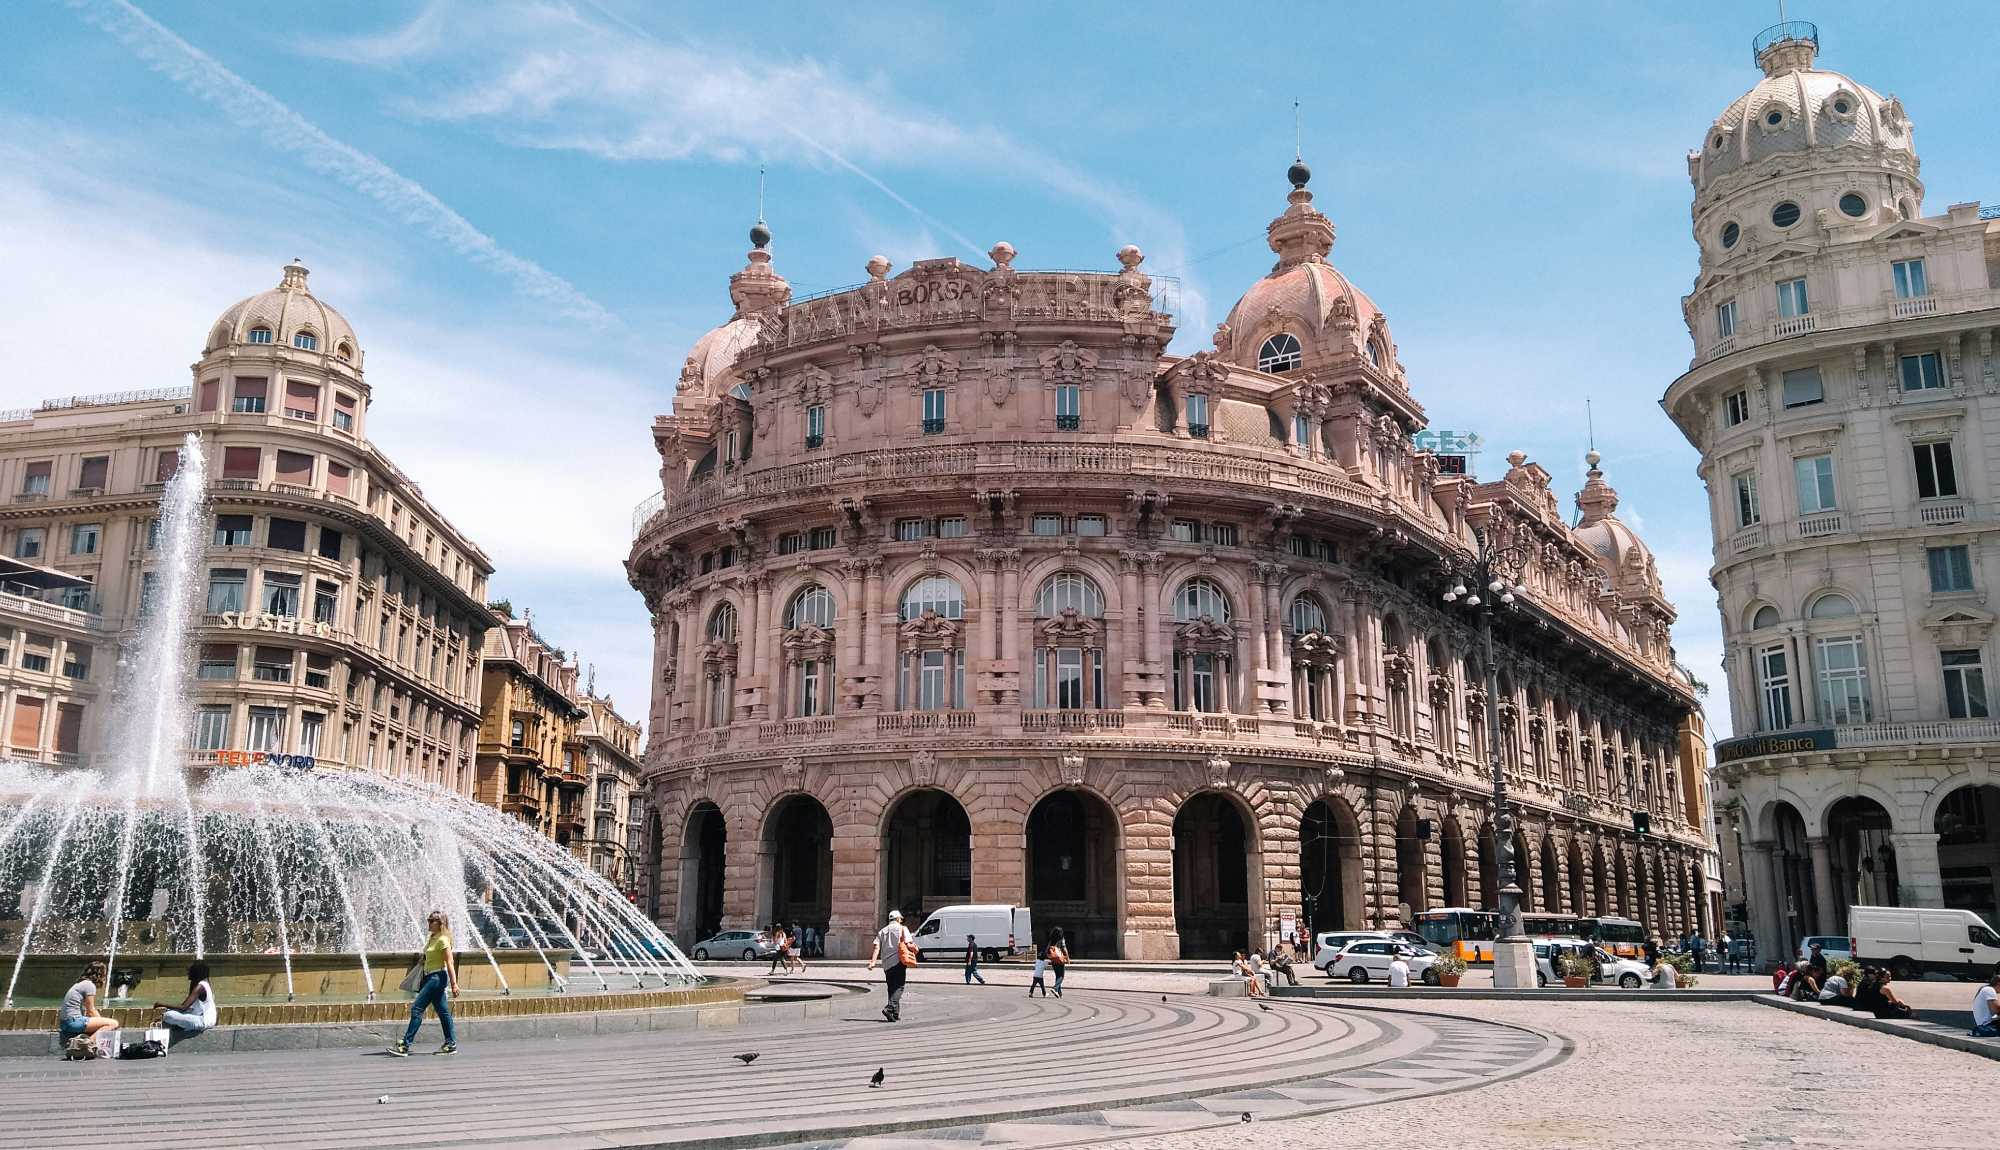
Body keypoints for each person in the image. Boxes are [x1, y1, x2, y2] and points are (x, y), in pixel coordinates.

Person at [391, 909, 459, 1057]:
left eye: (431, 920)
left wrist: (454, 983)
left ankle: (405, 1045)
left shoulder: (443, 939)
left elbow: (450, 962)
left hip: (437, 978)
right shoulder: (433, 938)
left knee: (417, 1009)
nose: (428, 922)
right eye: (428, 920)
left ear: (439, 923)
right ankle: (450, 1043)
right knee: (443, 1012)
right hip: (430, 977)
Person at [867, 908, 916, 1022]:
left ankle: (894, 1014)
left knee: (891, 988)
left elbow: (876, 947)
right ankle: (890, 1008)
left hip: (886, 964)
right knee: (899, 987)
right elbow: (909, 944)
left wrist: (873, 962)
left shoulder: (882, 931)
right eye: (900, 919)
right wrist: (915, 949)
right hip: (898, 961)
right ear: (898, 919)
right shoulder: (903, 929)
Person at [57, 960, 119, 1052]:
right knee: (113, 1023)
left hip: (65, 1023)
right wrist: (101, 1022)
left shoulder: (80, 983)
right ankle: (87, 1044)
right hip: (73, 1022)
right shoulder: (89, 985)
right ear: (100, 974)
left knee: (103, 1024)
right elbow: (91, 1010)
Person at [153, 960, 218, 1045]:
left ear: (196, 972)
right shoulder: (205, 984)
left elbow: (183, 1007)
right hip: (205, 1020)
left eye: (190, 970)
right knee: (168, 1013)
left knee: (168, 1015)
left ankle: (164, 1040)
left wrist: (161, 1004)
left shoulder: (200, 987)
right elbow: (184, 1007)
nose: (188, 972)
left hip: (203, 1021)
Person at [1969, 971, 2000, 1038]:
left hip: (1985, 1025)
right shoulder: (1989, 990)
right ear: (1998, 983)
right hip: (1989, 1026)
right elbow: (1995, 1010)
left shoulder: (1985, 989)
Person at [1048, 930, 1069, 997]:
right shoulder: (1061, 938)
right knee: (1061, 976)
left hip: (1053, 960)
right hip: (1059, 958)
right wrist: (1067, 958)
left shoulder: (1051, 939)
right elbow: (1064, 947)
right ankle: (1055, 988)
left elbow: (1048, 949)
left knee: (1057, 975)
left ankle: (1059, 993)